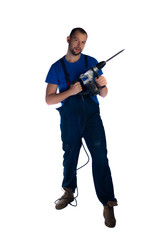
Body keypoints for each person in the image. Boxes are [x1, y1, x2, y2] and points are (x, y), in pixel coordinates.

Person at [45, 28, 118, 228]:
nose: (79, 45)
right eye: (76, 41)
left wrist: (103, 85)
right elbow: (49, 99)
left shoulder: (91, 62)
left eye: (83, 42)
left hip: (92, 117)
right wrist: (69, 92)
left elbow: (103, 94)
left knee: (101, 156)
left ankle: (108, 202)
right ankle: (68, 191)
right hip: (70, 117)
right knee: (70, 155)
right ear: (68, 40)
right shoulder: (56, 67)